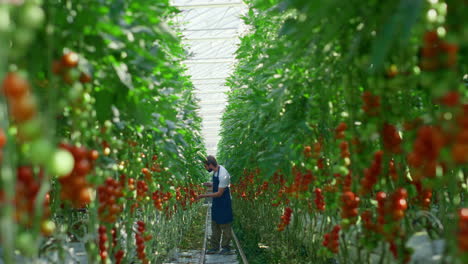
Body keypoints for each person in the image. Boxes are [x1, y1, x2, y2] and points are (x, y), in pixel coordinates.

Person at [197, 155, 234, 255]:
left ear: (210, 165)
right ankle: (215, 247)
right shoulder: (216, 171)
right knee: (215, 223)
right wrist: (209, 184)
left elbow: (219, 193)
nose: (205, 168)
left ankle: (226, 247)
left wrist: (203, 195)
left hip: (224, 202)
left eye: (205, 166)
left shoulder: (223, 174)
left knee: (225, 225)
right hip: (217, 203)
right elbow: (217, 184)